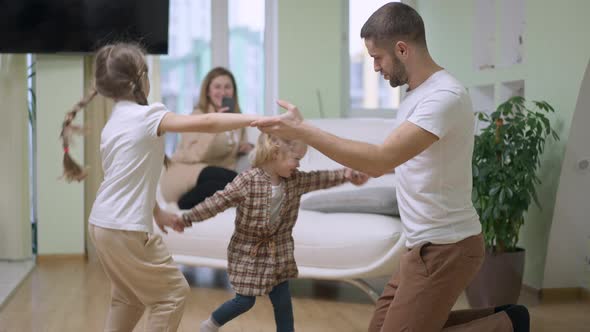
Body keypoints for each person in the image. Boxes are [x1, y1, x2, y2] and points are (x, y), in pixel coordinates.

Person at [253, 3, 530, 332]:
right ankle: (507, 318)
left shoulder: (445, 96)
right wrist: (374, 171)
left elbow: (383, 155)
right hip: (421, 247)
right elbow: (405, 158)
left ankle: (506, 325)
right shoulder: (415, 95)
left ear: (402, 49)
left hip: (446, 247)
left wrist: (304, 131)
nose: (374, 68)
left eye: (377, 57)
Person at [59, 42, 293, 332]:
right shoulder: (147, 115)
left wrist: (156, 212)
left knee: (128, 299)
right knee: (172, 295)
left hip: (101, 226)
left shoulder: (114, 122)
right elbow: (206, 122)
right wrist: (261, 120)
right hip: (123, 229)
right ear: (141, 78)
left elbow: (124, 178)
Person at [179, 133, 369, 332]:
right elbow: (217, 202)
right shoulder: (248, 181)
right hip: (248, 252)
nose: (298, 165)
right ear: (275, 153)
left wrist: (345, 175)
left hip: (278, 252)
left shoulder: (294, 181)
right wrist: (186, 219)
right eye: (296, 159)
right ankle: (210, 325)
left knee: (283, 303)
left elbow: (319, 179)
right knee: (245, 301)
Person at [159, 67, 254, 210]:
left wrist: (247, 148)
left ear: (233, 91)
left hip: (212, 178)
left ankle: (181, 209)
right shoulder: (197, 116)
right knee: (237, 180)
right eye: (217, 87)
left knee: (228, 185)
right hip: (184, 171)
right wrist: (215, 125)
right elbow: (193, 154)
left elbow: (231, 150)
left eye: (227, 87)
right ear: (208, 92)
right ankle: (182, 205)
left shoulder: (236, 119)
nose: (223, 92)